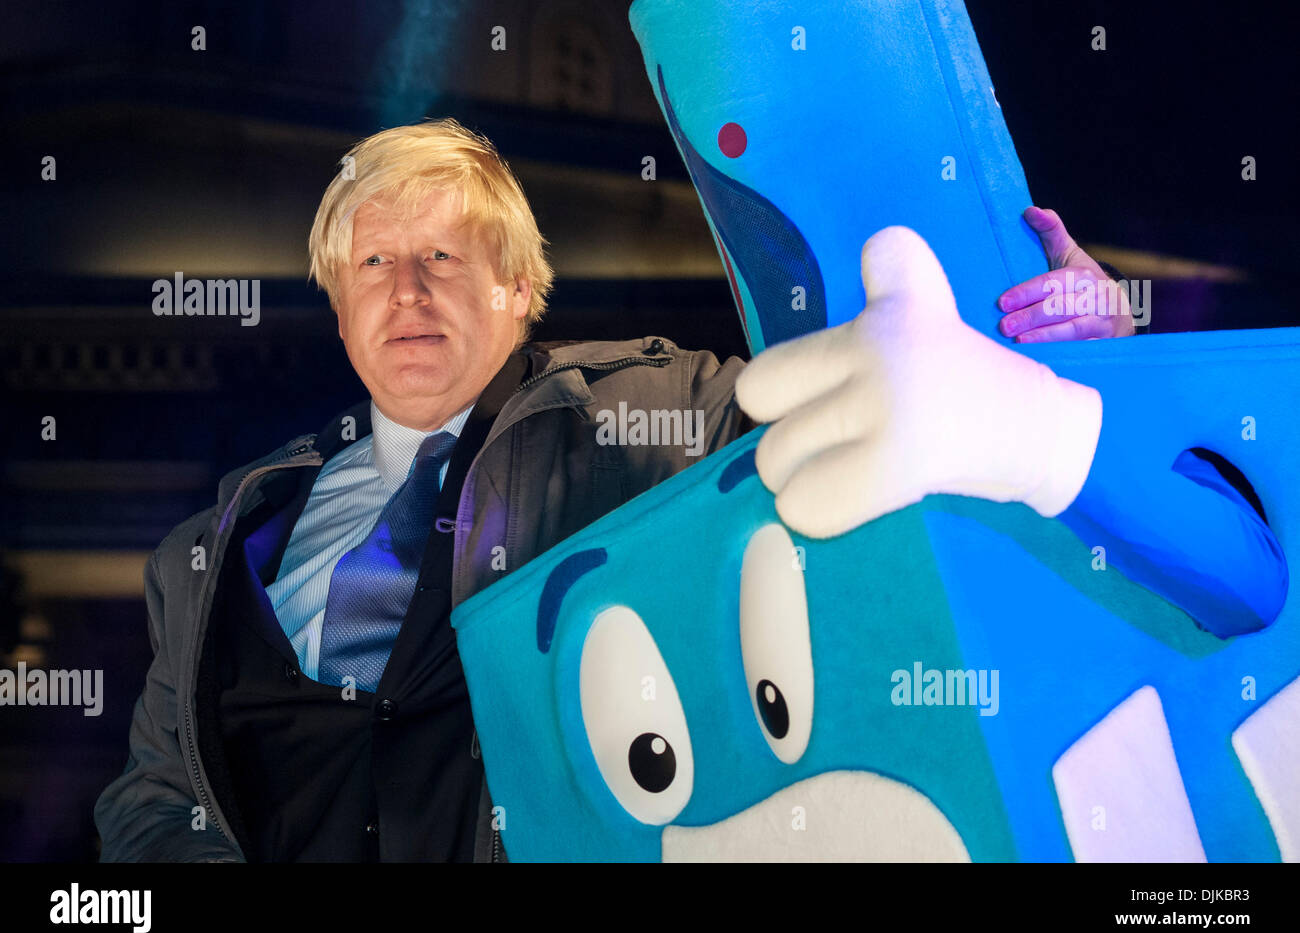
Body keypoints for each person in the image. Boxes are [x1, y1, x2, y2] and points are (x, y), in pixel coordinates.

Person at [94, 118, 1286, 863]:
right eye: (372, 264)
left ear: (520, 292)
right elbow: (156, 800)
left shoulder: (640, 416)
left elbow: (876, 376)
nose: (405, 290)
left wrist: (1086, 346)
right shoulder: (223, 539)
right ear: (336, 302)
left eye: (443, 257)